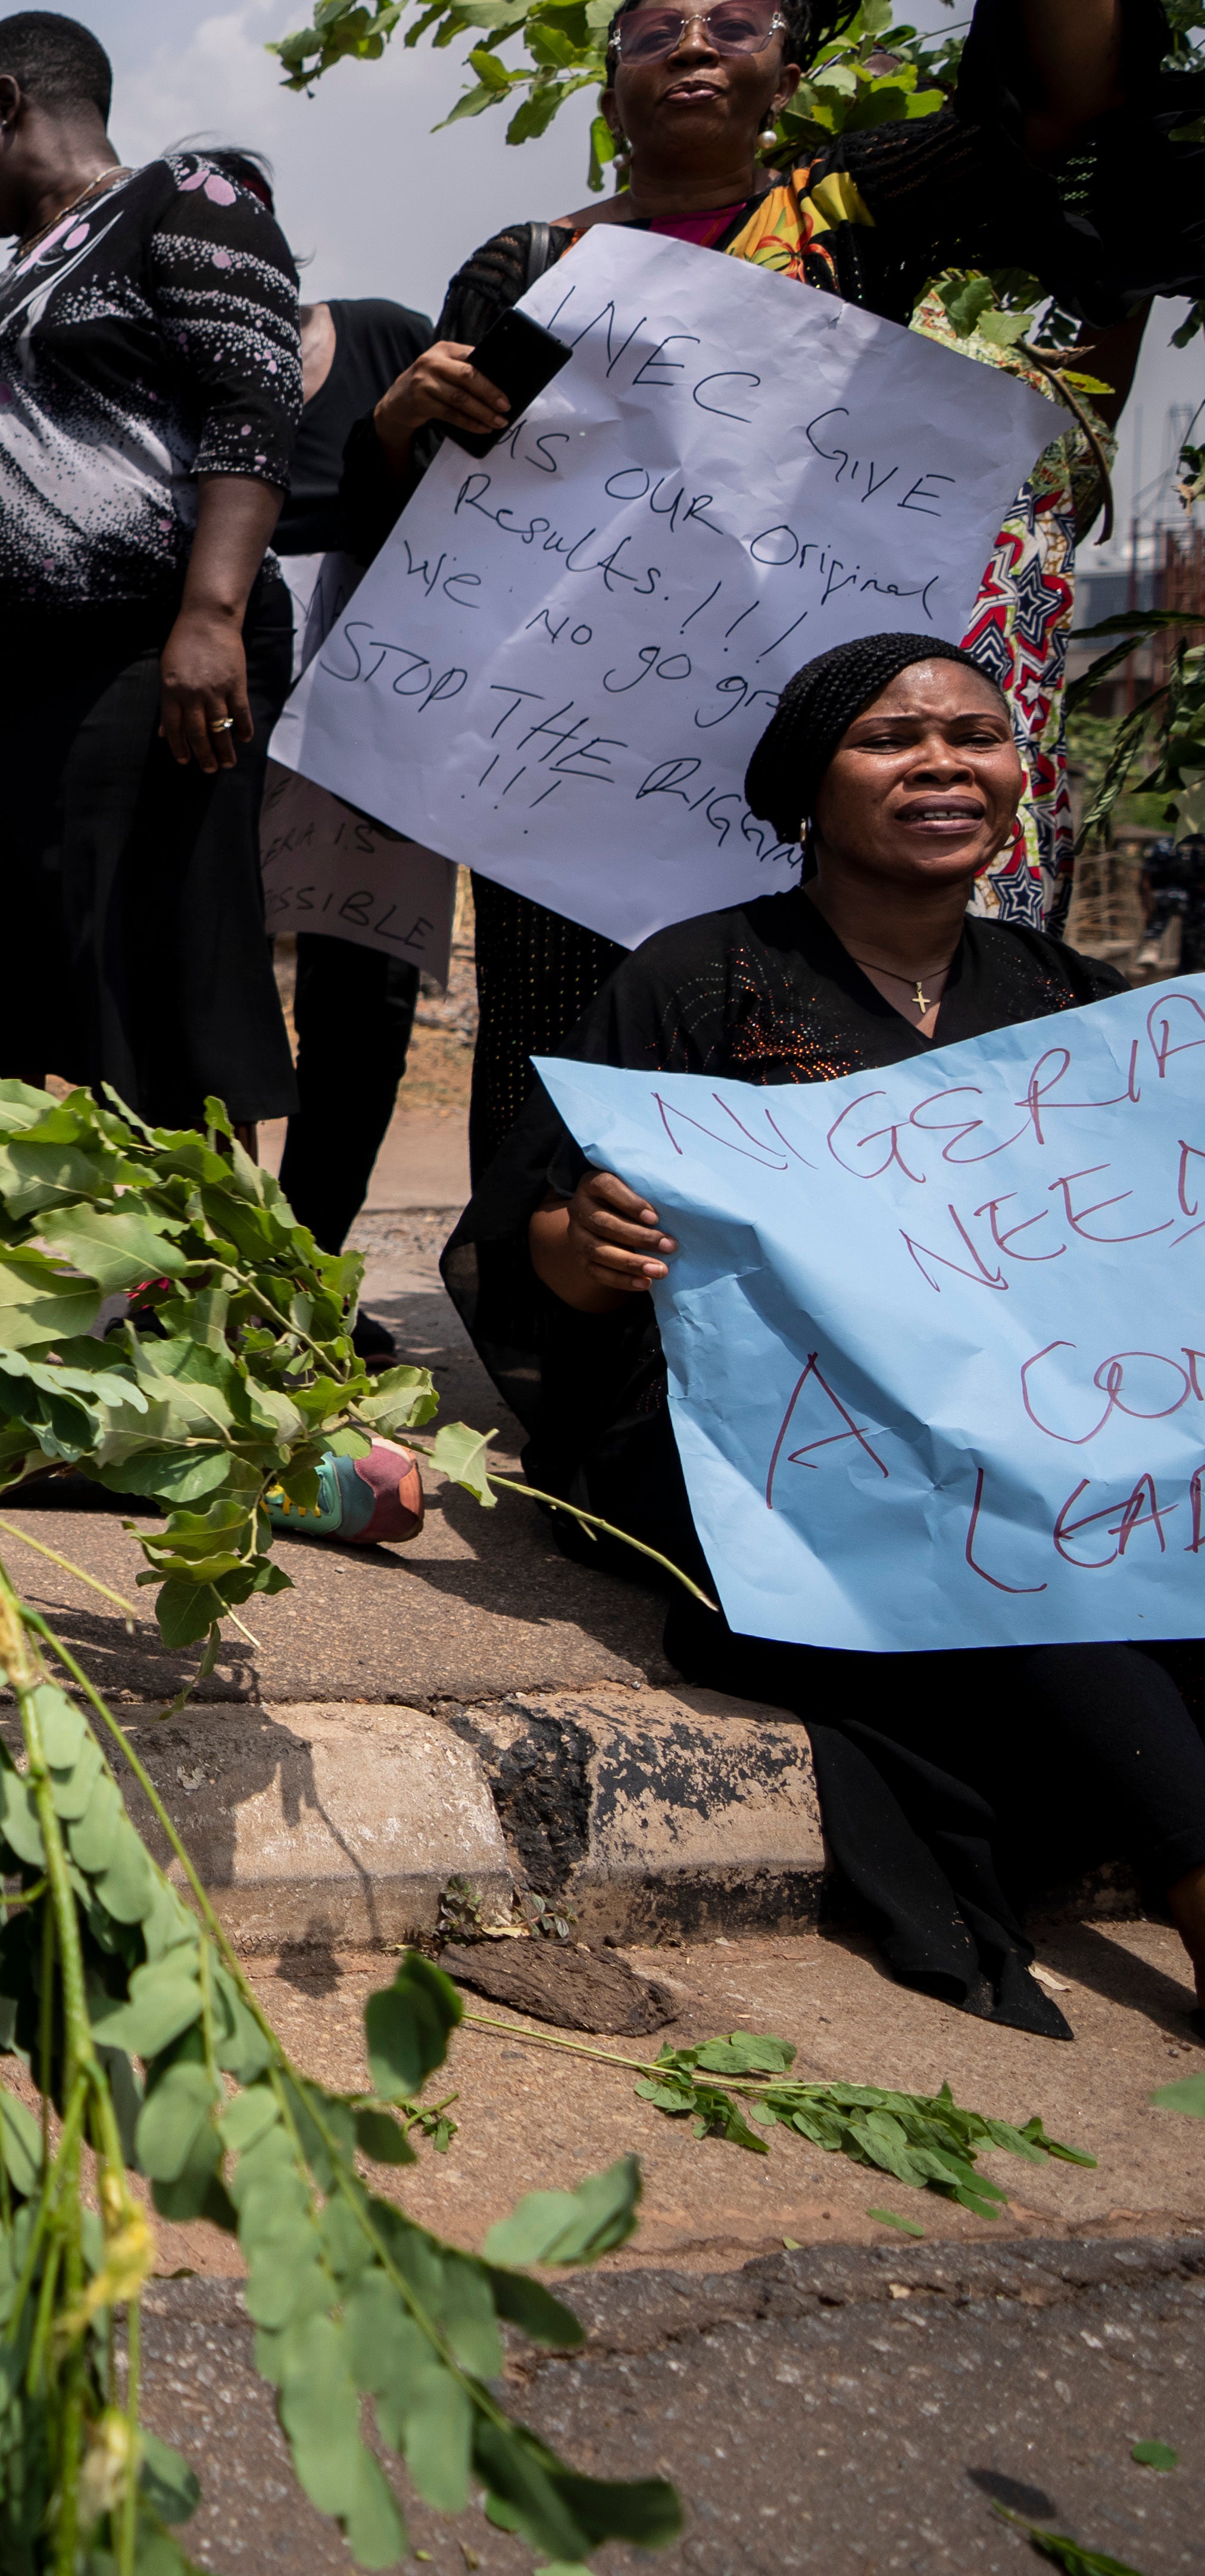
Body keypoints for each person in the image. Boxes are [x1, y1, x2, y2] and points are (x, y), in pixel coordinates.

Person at [352, 0, 1179, 1186]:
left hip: (815, 721)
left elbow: (1065, 107)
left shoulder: (852, 209)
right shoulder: (531, 260)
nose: (690, 44)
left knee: (820, 1024)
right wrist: (408, 418)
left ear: (783, 77)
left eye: (732, 23)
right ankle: (568, 1338)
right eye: (652, 28)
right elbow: (441, 536)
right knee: (575, 1033)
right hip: (587, 752)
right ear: (607, 86)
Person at [463, 635, 1205, 2034]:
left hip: (1025, 1406)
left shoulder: (1074, 1005)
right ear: (805, 789)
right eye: (889, 738)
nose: (940, 764)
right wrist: (598, 1243)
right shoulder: (690, 980)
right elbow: (531, 1253)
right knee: (1008, 1524)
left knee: (1112, 1503)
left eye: (974, 736)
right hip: (740, 1427)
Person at [0, 11, 305, 1133]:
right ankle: (13, 1269)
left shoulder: (184, 200)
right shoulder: (24, 273)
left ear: (4, 102)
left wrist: (209, 614)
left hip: (125, 664)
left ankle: (197, 1277)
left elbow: (253, 404)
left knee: (147, 996)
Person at [266, 295, 441, 1279]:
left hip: (370, 734)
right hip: (194, 722)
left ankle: (304, 1272)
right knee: (203, 1011)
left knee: (359, 1018)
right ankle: (206, 1271)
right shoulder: (158, 370)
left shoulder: (386, 340)